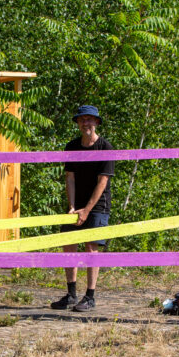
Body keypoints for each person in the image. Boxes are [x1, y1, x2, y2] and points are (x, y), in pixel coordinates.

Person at [49, 105, 115, 313]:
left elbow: (102, 182)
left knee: (91, 247)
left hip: (97, 205)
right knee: (69, 245)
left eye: (89, 119)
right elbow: (70, 178)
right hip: (76, 204)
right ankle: (71, 294)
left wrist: (86, 210)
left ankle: (90, 296)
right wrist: (72, 206)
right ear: (78, 123)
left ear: (97, 122)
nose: (85, 123)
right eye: (82, 120)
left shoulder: (106, 148)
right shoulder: (71, 146)